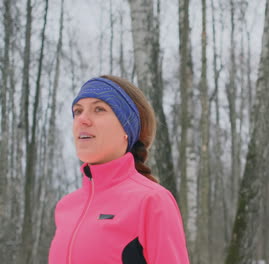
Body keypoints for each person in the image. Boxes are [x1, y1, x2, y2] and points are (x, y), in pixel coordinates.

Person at [49, 75, 190, 263]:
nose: (82, 119)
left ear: (127, 129)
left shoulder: (152, 201)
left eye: (99, 109)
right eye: (77, 111)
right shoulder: (65, 207)